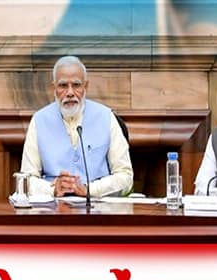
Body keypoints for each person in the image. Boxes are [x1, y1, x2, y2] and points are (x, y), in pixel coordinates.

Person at [20, 56, 133, 197]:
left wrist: (90, 189)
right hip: (53, 207)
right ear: (53, 88)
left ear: (86, 86)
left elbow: (125, 176)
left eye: (76, 85)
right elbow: (25, 179)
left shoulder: (107, 117)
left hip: (98, 206)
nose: (70, 93)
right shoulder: (39, 120)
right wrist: (52, 189)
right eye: (63, 85)